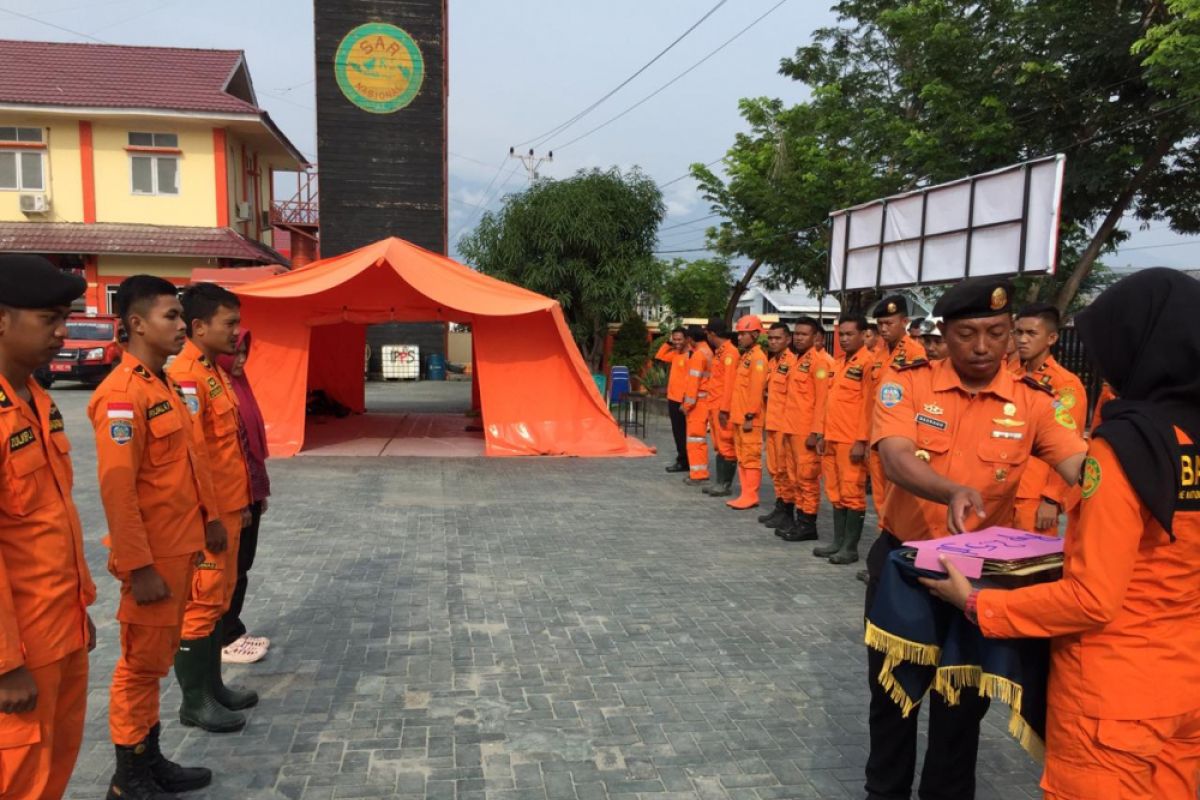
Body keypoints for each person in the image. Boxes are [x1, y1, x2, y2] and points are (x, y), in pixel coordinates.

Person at [922, 268, 1200, 800]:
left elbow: (1093, 598)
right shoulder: (1189, 438)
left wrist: (981, 605)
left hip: (1114, 695)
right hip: (1184, 685)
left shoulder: (1126, 450)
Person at [868, 276, 1086, 800]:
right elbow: (896, 457)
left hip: (980, 582)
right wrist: (952, 491)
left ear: (1011, 332)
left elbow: (1079, 462)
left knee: (962, 708)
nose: (984, 346)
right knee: (892, 701)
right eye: (969, 333)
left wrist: (1131, 473)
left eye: (997, 331)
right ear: (945, 333)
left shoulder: (1033, 403)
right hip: (905, 567)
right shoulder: (908, 383)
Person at [92, 275, 215, 799]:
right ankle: (129, 775)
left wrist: (208, 520)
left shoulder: (164, 384)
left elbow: (188, 464)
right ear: (136, 323)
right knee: (140, 667)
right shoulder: (121, 395)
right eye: (170, 316)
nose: (181, 325)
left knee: (156, 662)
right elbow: (118, 492)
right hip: (152, 561)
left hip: (180, 549)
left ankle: (150, 755)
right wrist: (138, 567)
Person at [0, 256, 96, 799]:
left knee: (54, 769)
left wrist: (78, 615)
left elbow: (50, 523)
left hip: (59, 632)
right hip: (18, 654)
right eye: (50, 319)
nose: (64, 332)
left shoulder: (36, 401)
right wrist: (4, 665)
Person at [169, 283, 256, 732]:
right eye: (230, 323)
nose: (236, 332)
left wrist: (240, 505)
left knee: (219, 601)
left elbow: (227, 453)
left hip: (229, 509)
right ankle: (195, 701)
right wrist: (210, 517)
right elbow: (192, 456)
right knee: (201, 604)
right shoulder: (187, 378)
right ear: (199, 327)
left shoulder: (214, 372)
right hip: (209, 518)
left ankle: (214, 687)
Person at [216, 331, 272, 663]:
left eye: (243, 354)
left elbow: (250, 447)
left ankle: (232, 629)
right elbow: (220, 454)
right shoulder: (209, 388)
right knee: (229, 569)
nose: (240, 360)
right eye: (235, 353)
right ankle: (225, 636)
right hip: (230, 498)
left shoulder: (240, 386)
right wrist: (236, 500)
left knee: (242, 565)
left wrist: (257, 492)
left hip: (248, 490)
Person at [860, 295, 928, 559]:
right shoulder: (878, 353)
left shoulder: (915, 354)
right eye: (880, 324)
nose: (884, 329)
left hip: (901, 440)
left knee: (900, 500)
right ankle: (884, 552)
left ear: (904, 321)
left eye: (889, 323)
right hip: (877, 438)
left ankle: (902, 554)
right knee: (880, 499)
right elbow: (869, 401)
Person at [1010, 303, 1086, 534]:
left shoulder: (1064, 385)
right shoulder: (1011, 375)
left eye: (1031, 333)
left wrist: (1052, 499)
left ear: (1051, 338)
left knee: (1030, 566)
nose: (1023, 339)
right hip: (1006, 486)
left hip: (1034, 494)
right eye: (1019, 332)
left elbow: (1068, 445)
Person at [813, 313, 874, 563]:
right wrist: (821, 434)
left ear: (863, 335)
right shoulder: (838, 363)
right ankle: (838, 542)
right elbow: (828, 403)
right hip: (832, 437)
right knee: (835, 491)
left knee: (852, 492)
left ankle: (850, 548)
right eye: (842, 335)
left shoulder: (868, 363)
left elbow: (869, 406)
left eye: (850, 334)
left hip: (851, 441)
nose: (845, 339)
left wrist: (861, 440)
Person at [779, 317, 833, 542]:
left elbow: (822, 400)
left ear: (815, 337)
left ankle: (808, 523)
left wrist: (816, 431)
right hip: (790, 428)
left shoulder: (819, 362)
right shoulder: (797, 360)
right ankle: (800, 520)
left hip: (806, 431)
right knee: (794, 477)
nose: (798, 337)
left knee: (807, 478)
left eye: (804, 334)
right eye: (796, 333)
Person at [726, 315, 768, 510]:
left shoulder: (758, 359)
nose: (740, 337)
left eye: (744, 334)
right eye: (739, 333)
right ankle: (746, 494)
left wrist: (750, 415)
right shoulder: (747, 357)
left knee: (750, 458)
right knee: (743, 457)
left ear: (755, 335)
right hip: (740, 417)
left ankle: (750, 495)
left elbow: (756, 389)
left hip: (749, 419)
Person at [759, 323, 797, 530]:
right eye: (771, 338)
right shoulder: (773, 362)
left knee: (784, 469)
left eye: (777, 338)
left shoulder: (792, 362)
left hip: (785, 425)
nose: (773, 341)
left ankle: (788, 511)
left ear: (787, 339)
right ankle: (780, 505)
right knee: (774, 469)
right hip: (772, 423)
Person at [704, 318, 739, 497]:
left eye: (707, 334)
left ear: (712, 334)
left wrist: (725, 409)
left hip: (722, 406)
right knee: (719, 444)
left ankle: (724, 484)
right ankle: (719, 482)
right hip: (714, 404)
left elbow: (729, 383)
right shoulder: (720, 352)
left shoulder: (730, 353)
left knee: (726, 444)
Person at [680, 325, 713, 485]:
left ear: (690, 339)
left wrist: (686, 405)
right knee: (699, 439)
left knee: (695, 440)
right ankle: (700, 471)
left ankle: (698, 474)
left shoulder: (698, 355)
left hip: (698, 404)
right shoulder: (709, 352)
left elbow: (693, 383)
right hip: (705, 401)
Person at [655, 328, 690, 473]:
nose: (677, 342)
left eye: (679, 339)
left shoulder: (690, 356)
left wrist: (685, 400)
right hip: (672, 399)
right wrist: (669, 342)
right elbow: (660, 356)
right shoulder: (675, 354)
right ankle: (683, 459)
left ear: (687, 339)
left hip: (683, 401)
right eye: (674, 339)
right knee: (678, 432)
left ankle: (685, 461)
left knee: (685, 433)